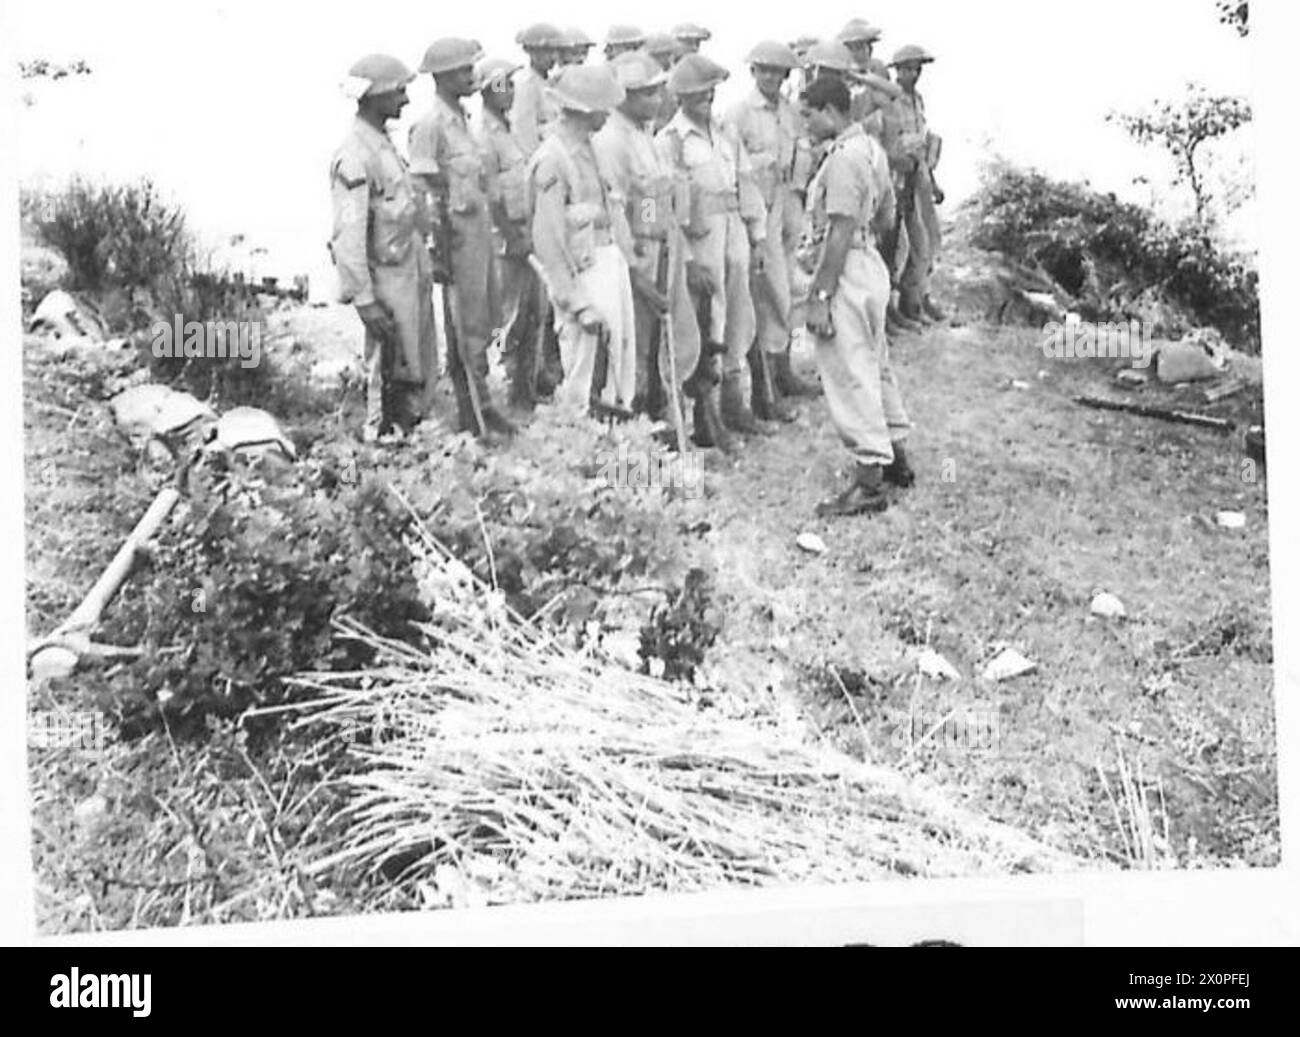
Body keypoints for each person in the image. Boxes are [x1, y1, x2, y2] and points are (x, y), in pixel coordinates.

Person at [799, 74, 914, 517]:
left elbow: (840, 229)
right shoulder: (872, 149)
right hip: (869, 265)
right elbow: (885, 217)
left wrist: (821, 295)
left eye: (809, 114)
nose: (806, 124)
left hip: (846, 267)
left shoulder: (845, 158)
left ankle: (869, 479)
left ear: (831, 111)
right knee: (876, 365)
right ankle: (896, 458)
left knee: (851, 371)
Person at [657, 54, 769, 439]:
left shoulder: (725, 133)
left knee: (740, 316)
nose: (706, 98)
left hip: (733, 229)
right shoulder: (670, 142)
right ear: (680, 98)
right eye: (696, 93)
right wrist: (687, 259)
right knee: (708, 322)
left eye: (710, 91)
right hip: (699, 240)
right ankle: (707, 416)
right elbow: (668, 209)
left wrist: (757, 237)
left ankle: (735, 403)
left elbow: (747, 183)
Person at [410, 37, 516, 440]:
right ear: (442, 77)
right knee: (464, 327)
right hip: (455, 239)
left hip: (479, 235)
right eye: (462, 71)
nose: (471, 77)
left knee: (485, 320)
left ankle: (483, 403)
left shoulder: (465, 120)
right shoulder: (431, 124)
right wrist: (438, 249)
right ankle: (472, 412)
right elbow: (424, 190)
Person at [594, 51, 702, 444]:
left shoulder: (644, 135)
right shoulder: (611, 141)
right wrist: (637, 272)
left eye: (657, 92)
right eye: (645, 94)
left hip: (661, 251)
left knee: (667, 348)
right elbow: (617, 211)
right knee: (637, 354)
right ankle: (639, 446)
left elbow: (654, 200)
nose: (656, 101)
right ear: (622, 96)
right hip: (637, 259)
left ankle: (668, 432)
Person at [329, 54, 437, 444]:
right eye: (397, 93)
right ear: (373, 98)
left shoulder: (383, 147)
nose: (405, 101)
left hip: (409, 274)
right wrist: (364, 299)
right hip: (385, 283)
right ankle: (380, 447)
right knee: (388, 376)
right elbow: (349, 234)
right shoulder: (355, 155)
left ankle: (410, 441)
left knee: (416, 371)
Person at [528, 64, 638, 414]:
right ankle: (579, 447)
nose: (607, 115)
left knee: (617, 363)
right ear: (584, 109)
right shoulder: (551, 160)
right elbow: (547, 241)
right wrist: (575, 302)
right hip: (581, 274)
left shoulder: (594, 150)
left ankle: (614, 441)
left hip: (607, 262)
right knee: (583, 368)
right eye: (602, 108)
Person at [725, 40, 817, 417]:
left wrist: (797, 198)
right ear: (752, 73)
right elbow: (734, 169)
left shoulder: (790, 112)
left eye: (777, 72)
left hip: (786, 201)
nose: (770, 77)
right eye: (763, 70)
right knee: (768, 294)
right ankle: (766, 387)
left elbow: (801, 152)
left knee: (791, 291)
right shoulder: (739, 112)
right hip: (756, 208)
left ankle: (783, 370)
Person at [474, 56, 542, 410]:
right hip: (505, 241)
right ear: (486, 91)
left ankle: (524, 387)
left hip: (524, 235)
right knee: (509, 317)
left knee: (532, 313)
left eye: (511, 84)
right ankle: (508, 388)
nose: (509, 91)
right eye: (502, 86)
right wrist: (510, 234)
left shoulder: (509, 130)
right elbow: (489, 196)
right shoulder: (484, 136)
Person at [889, 44, 947, 325]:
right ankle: (902, 306)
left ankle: (918, 299)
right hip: (899, 180)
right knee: (901, 245)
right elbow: (894, 146)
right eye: (908, 68)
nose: (913, 73)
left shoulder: (917, 100)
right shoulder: (892, 101)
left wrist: (933, 183)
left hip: (919, 176)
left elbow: (923, 143)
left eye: (916, 68)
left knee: (927, 241)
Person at [512, 24, 566, 154]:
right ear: (531, 51)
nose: (553, 57)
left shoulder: (549, 82)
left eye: (556, 51)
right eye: (546, 51)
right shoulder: (525, 84)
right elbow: (525, 133)